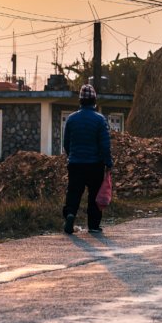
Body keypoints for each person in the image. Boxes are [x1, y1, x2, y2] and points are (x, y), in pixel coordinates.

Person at [62, 84, 113, 234]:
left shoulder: (71, 119)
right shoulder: (99, 120)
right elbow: (105, 145)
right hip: (95, 165)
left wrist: (72, 156)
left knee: (74, 192)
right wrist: (108, 163)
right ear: (94, 101)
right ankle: (94, 225)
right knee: (94, 195)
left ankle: (70, 214)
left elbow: (66, 143)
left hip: (75, 163)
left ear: (80, 101)